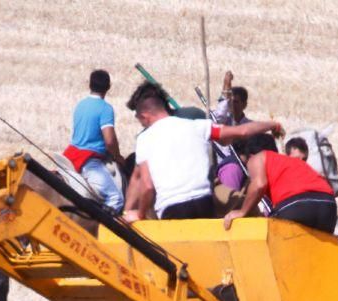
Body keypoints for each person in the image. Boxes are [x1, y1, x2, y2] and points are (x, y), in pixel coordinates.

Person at [123, 82, 282, 222]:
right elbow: (242, 131)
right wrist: (272, 125)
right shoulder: (197, 126)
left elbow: (147, 186)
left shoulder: (145, 139)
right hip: (204, 203)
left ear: (144, 116)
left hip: (172, 209)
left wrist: (139, 214)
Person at [222, 137, 337, 233]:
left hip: (297, 204)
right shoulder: (291, 163)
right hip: (328, 205)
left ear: (250, 155)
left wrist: (242, 212)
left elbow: (259, 185)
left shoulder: (257, 158)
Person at [63, 69, 125, 213]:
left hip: (69, 156)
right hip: (89, 161)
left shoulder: (81, 104)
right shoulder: (105, 109)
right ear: (108, 87)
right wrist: (117, 156)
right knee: (116, 198)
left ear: (89, 85)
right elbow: (109, 140)